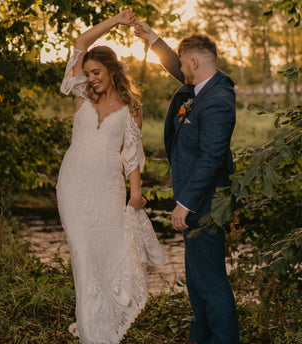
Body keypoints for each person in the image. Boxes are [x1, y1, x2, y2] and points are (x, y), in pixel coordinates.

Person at [56, 10, 165, 344]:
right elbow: (80, 42)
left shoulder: (132, 107)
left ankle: (102, 319)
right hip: (73, 184)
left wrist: (135, 194)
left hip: (107, 187)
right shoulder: (81, 93)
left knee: (107, 255)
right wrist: (116, 20)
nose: (91, 78)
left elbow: (131, 155)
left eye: (97, 71)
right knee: (82, 253)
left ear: (113, 70)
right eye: (87, 72)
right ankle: (93, 333)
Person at [134, 21, 240, 344]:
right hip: (194, 199)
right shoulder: (200, 86)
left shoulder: (218, 100)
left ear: (194, 62)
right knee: (197, 279)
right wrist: (152, 38)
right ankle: (201, 337)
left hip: (204, 203)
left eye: (183, 63)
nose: (179, 70)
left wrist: (185, 203)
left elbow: (211, 158)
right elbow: (174, 65)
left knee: (210, 281)